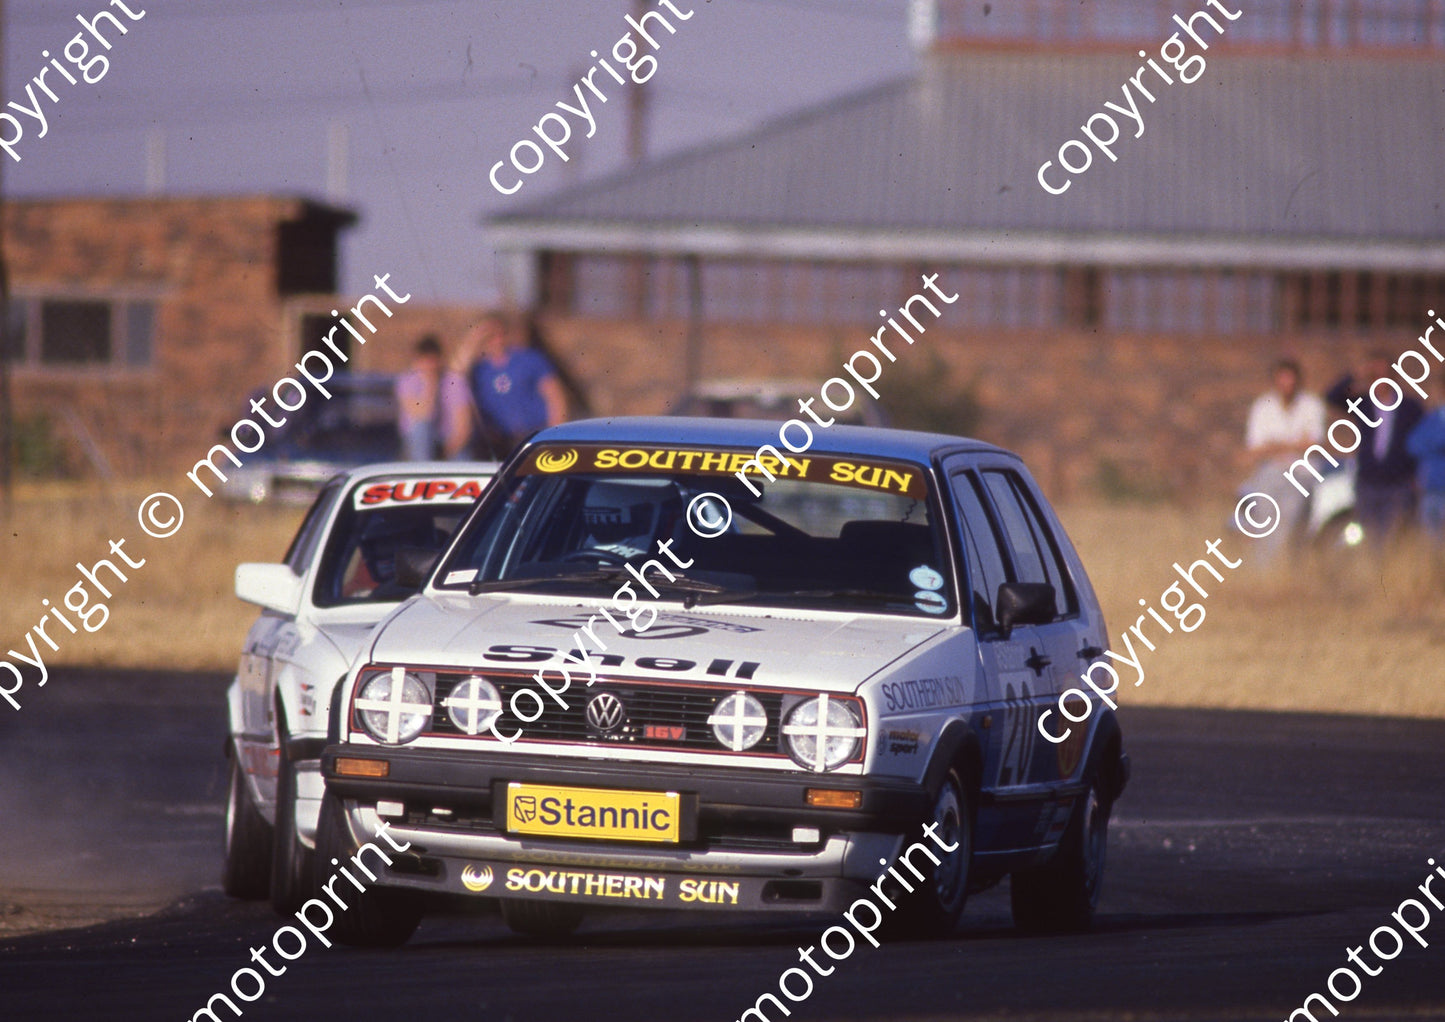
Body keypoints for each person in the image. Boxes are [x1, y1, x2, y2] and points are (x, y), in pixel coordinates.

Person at [1326, 352, 1423, 544]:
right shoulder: (1364, 405)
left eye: (1385, 375)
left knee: (1394, 540)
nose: (1381, 380)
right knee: (1368, 540)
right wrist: (1357, 373)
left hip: (1398, 484)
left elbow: (1418, 445)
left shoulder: (1410, 407)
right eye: (1375, 376)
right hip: (1368, 483)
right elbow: (1332, 396)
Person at [1240, 358, 1327, 559]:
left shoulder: (1311, 404)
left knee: (1290, 522)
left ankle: (1287, 570)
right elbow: (1255, 447)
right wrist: (1293, 444)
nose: (1287, 385)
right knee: (1263, 522)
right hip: (1270, 472)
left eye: (1291, 380)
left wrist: (1276, 445)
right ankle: (1264, 576)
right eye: (1282, 380)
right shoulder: (1263, 406)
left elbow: (1314, 444)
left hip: (1302, 473)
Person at [455, 311, 566, 455]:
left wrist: (554, 437)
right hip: (498, 441)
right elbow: (454, 375)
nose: (496, 340)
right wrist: (473, 338)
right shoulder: (479, 369)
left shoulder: (529, 359)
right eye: (489, 336)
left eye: (499, 334)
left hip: (533, 436)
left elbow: (555, 397)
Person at [394, 335, 473, 461]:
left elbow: (463, 427)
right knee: (421, 428)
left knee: (463, 455)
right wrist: (430, 384)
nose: (429, 366)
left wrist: (445, 454)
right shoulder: (407, 381)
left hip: (447, 444)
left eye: (432, 361)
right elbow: (424, 415)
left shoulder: (454, 381)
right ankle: (422, 473)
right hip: (418, 443)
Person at [1406, 399, 1445, 543]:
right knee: (1429, 538)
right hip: (1430, 488)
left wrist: (1431, 444)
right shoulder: (1433, 418)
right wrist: (1438, 444)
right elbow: (1413, 444)